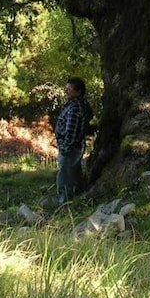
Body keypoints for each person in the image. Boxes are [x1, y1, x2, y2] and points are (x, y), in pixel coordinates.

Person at [54, 76, 93, 204]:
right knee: (74, 173)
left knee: (65, 176)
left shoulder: (76, 107)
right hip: (75, 146)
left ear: (78, 92)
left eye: (70, 89)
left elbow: (71, 130)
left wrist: (65, 148)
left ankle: (63, 202)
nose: (66, 91)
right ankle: (77, 197)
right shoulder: (78, 104)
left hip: (71, 147)